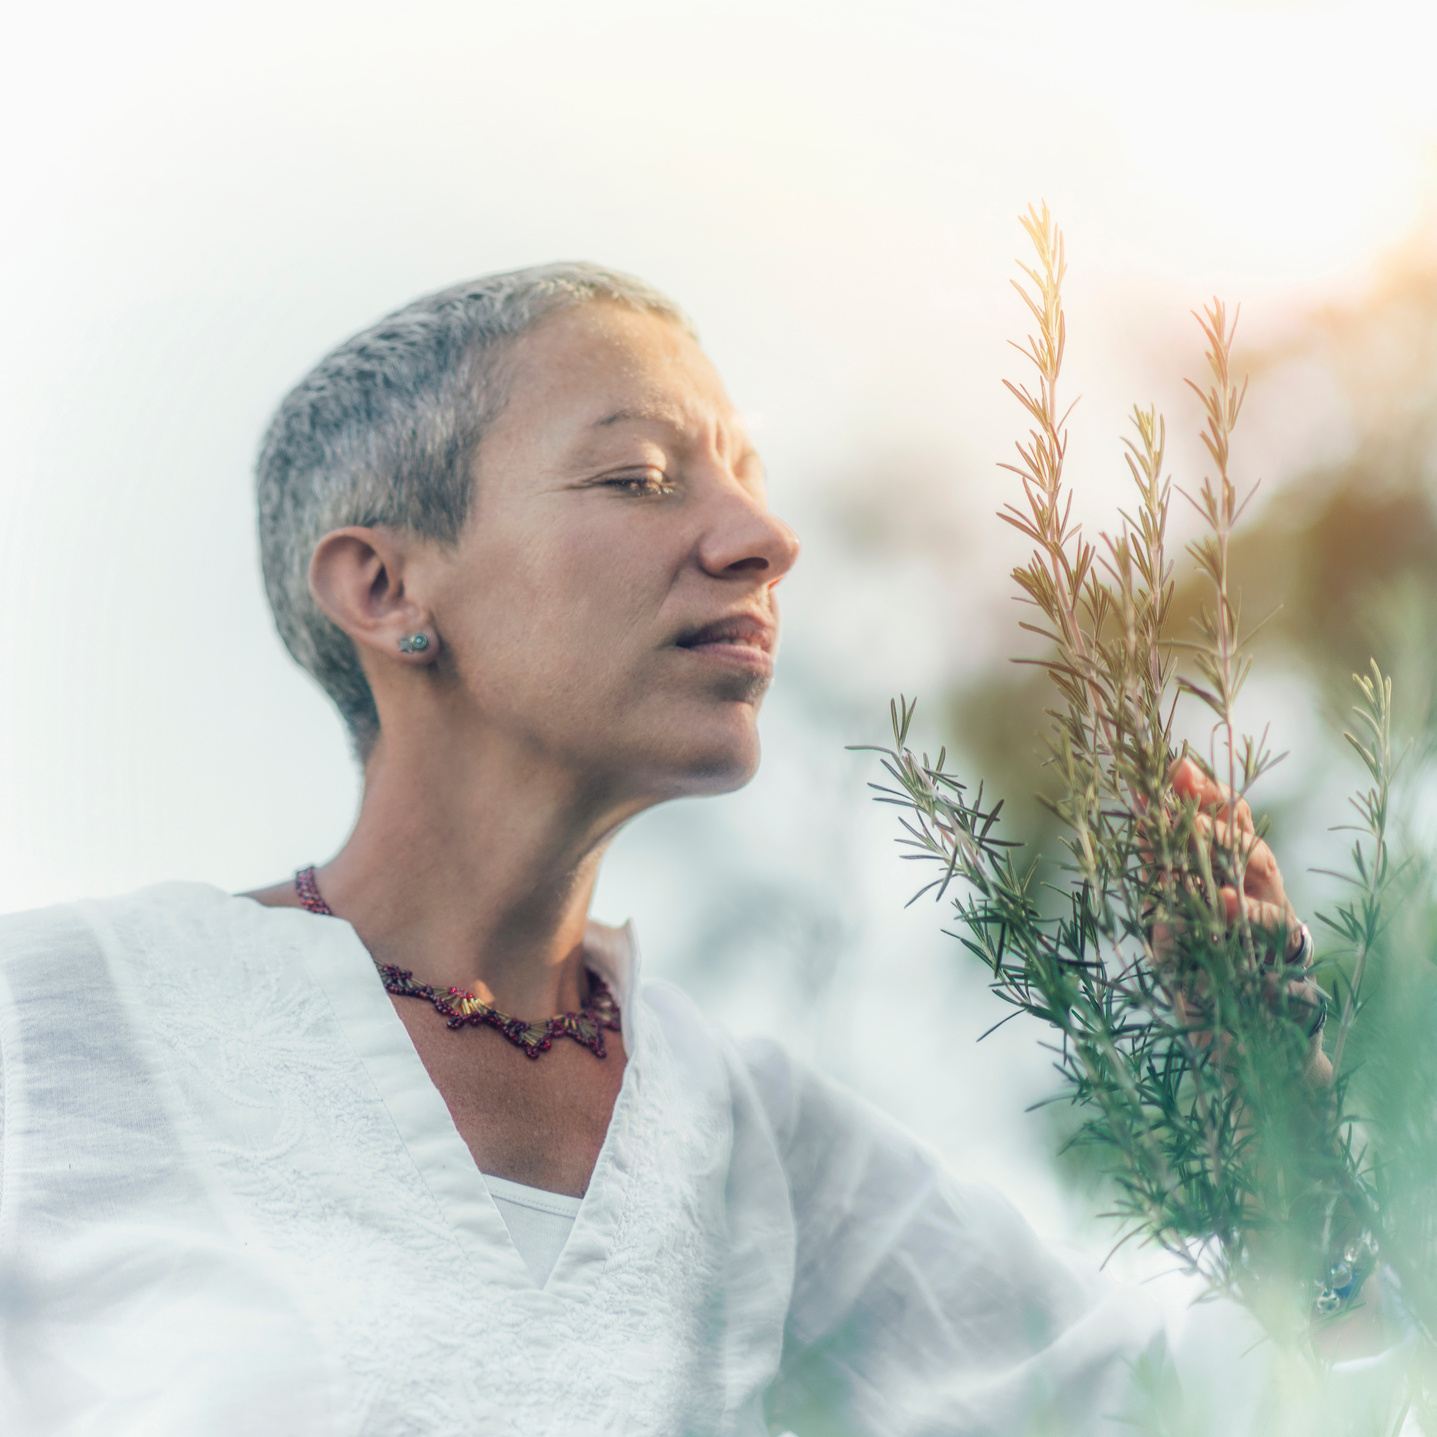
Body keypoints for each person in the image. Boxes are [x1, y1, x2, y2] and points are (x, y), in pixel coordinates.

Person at [0, 264, 1323, 1435]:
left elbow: (1214, 1406)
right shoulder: (60, 1020)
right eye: (637, 477)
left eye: (746, 478)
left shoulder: (759, 1147)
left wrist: (1287, 1122)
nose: (761, 538)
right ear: (387, 588)